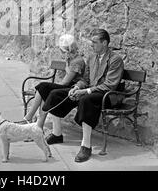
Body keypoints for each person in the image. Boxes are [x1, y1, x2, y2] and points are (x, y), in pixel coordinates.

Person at [42, 28, 124, 162]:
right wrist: (76, 87)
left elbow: (110, 85)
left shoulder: (115, 60)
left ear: (104, 43)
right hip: (90, 91)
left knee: (86, 99)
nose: (91, 45)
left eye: (95, 42)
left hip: (107, 95)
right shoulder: (92, 57)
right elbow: (85, 80)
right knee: (56, 93)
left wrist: (85, 91)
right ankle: (57, 134)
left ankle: (86, 146)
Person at [19, 35, 85, 136]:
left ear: (68, 49)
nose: (62, 52)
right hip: (67, 85)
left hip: (73, 88)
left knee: (44, 87)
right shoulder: (72, 59)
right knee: (44, 90)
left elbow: (66, 82)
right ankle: (37, 126)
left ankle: (30, 119)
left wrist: (66, 68)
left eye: (63, 50)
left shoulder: (77, 61)